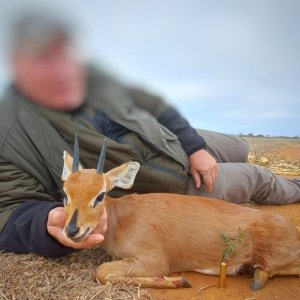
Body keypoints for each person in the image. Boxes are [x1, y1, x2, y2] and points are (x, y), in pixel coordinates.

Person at [0, 12, 299, 258]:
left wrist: (194, 146)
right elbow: (9, 210)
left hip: (169, 141)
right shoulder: (10, 131)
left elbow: (155, 105)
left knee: (240, 146)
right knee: (257, 177)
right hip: (168, 182)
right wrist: (42, 223)